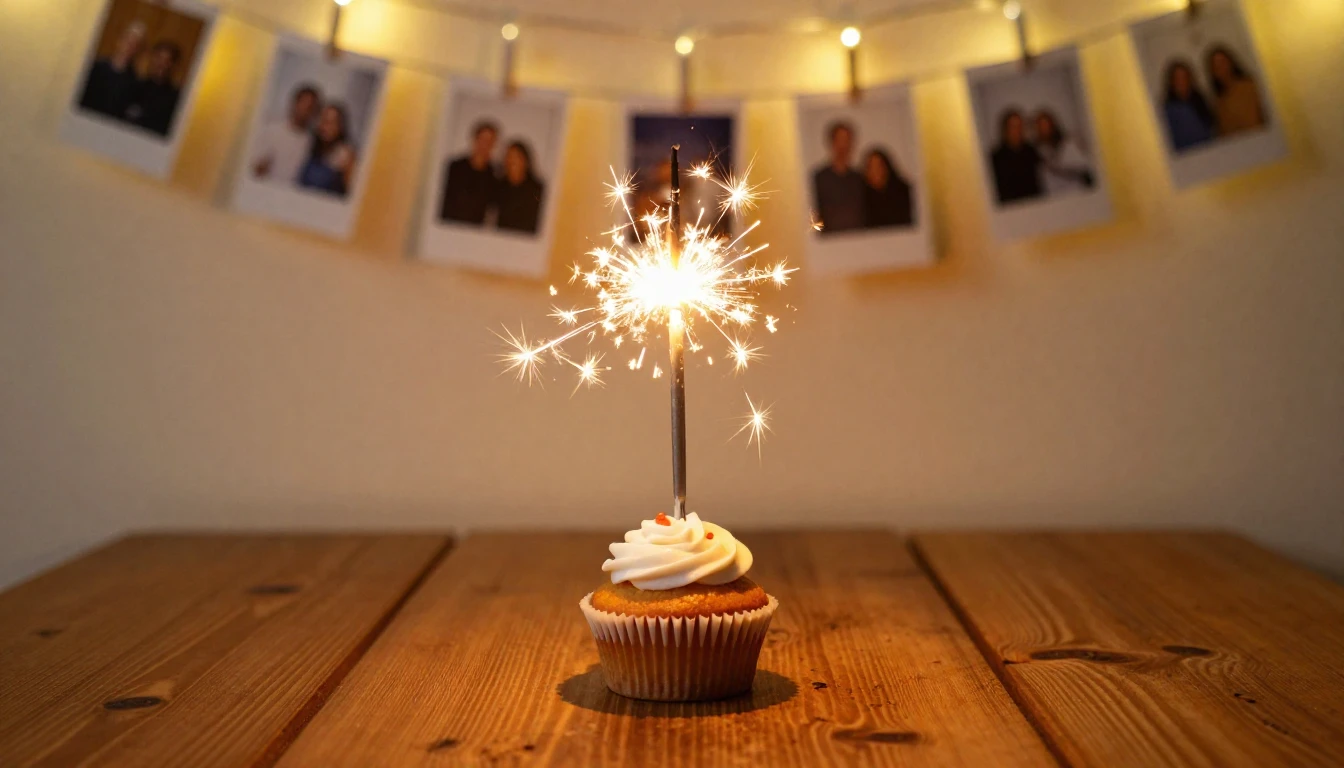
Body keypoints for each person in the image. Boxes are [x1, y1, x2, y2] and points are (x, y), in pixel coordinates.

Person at [252, 84, 322, 185]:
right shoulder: (272, 131)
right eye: (304, 104)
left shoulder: (313, 140)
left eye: (311, 107)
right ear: (294, 103)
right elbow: (256, 169)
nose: (306, 110)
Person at [78, 21, 145, 120]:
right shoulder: (95, 67)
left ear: (138, 50)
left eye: (135, 44)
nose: (129, 47)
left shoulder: (135, 83)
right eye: (128, 41)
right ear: (119, 41)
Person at [440, 120, 500, 225]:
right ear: (474, 139)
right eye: (482, 140)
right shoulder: (454, 167)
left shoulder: (494, 175)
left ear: (493, 145)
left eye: (490, 141)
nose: (485, 145)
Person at [812, 121, 866, 235]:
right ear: (831, 143)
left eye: (847, 140)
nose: (843, 146)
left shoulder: (860, 178)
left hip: (859, 239)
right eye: (839, 140)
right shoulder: (819, 178)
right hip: (830, 242)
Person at [297, 103, 357, 197]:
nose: (327, 127)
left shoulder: (346, 155)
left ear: (340, 127)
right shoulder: (311, 147)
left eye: (332, 122)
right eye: (324, 121)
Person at [124, 40, 182, 137]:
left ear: (173, 65)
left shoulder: (176, 98)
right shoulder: (135, 86)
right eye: (159, 58)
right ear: (152, 59)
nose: (161, 64)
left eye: (167, 60)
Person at [1206, 45, 1265, 137]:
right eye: (1216, 66)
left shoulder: (1250, 86)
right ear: (1213, 72)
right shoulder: (1219, 103)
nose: (1221, 68)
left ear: (1231, 62)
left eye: (1223, 62)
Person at [1033, 110, 1094, 196]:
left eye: (1045, 124)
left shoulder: (1068, 143)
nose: (1043, 128)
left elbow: (1084, 167)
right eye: (1039, 125)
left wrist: (1059, 168)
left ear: (1052, 125)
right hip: (1054, 197)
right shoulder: (1038, 149)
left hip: (1076, 193)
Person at [989, 109, 1042, 205]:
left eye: (1020, 126)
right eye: (1013, 127)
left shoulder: (1031, 151)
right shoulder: (996, 157)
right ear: (1005, 129)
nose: (1017, 130)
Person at [1161, 59, 1215, 152]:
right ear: (1171, 82)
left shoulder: (1200, 100)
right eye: (1178, 79)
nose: (1182, 82)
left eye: (1185, 77)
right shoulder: (1168, 110)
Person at [496, 141, 545, 234]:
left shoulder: (537, 189)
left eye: (516, 157)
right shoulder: (499, 186)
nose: (511, 161)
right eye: (508, 156)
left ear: (526, 161)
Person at [861, 149, 914, 228]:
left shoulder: (903, 191)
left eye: (878, 166)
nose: (875, 171)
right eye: (870, 167)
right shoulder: (861, 196)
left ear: (886, 168)